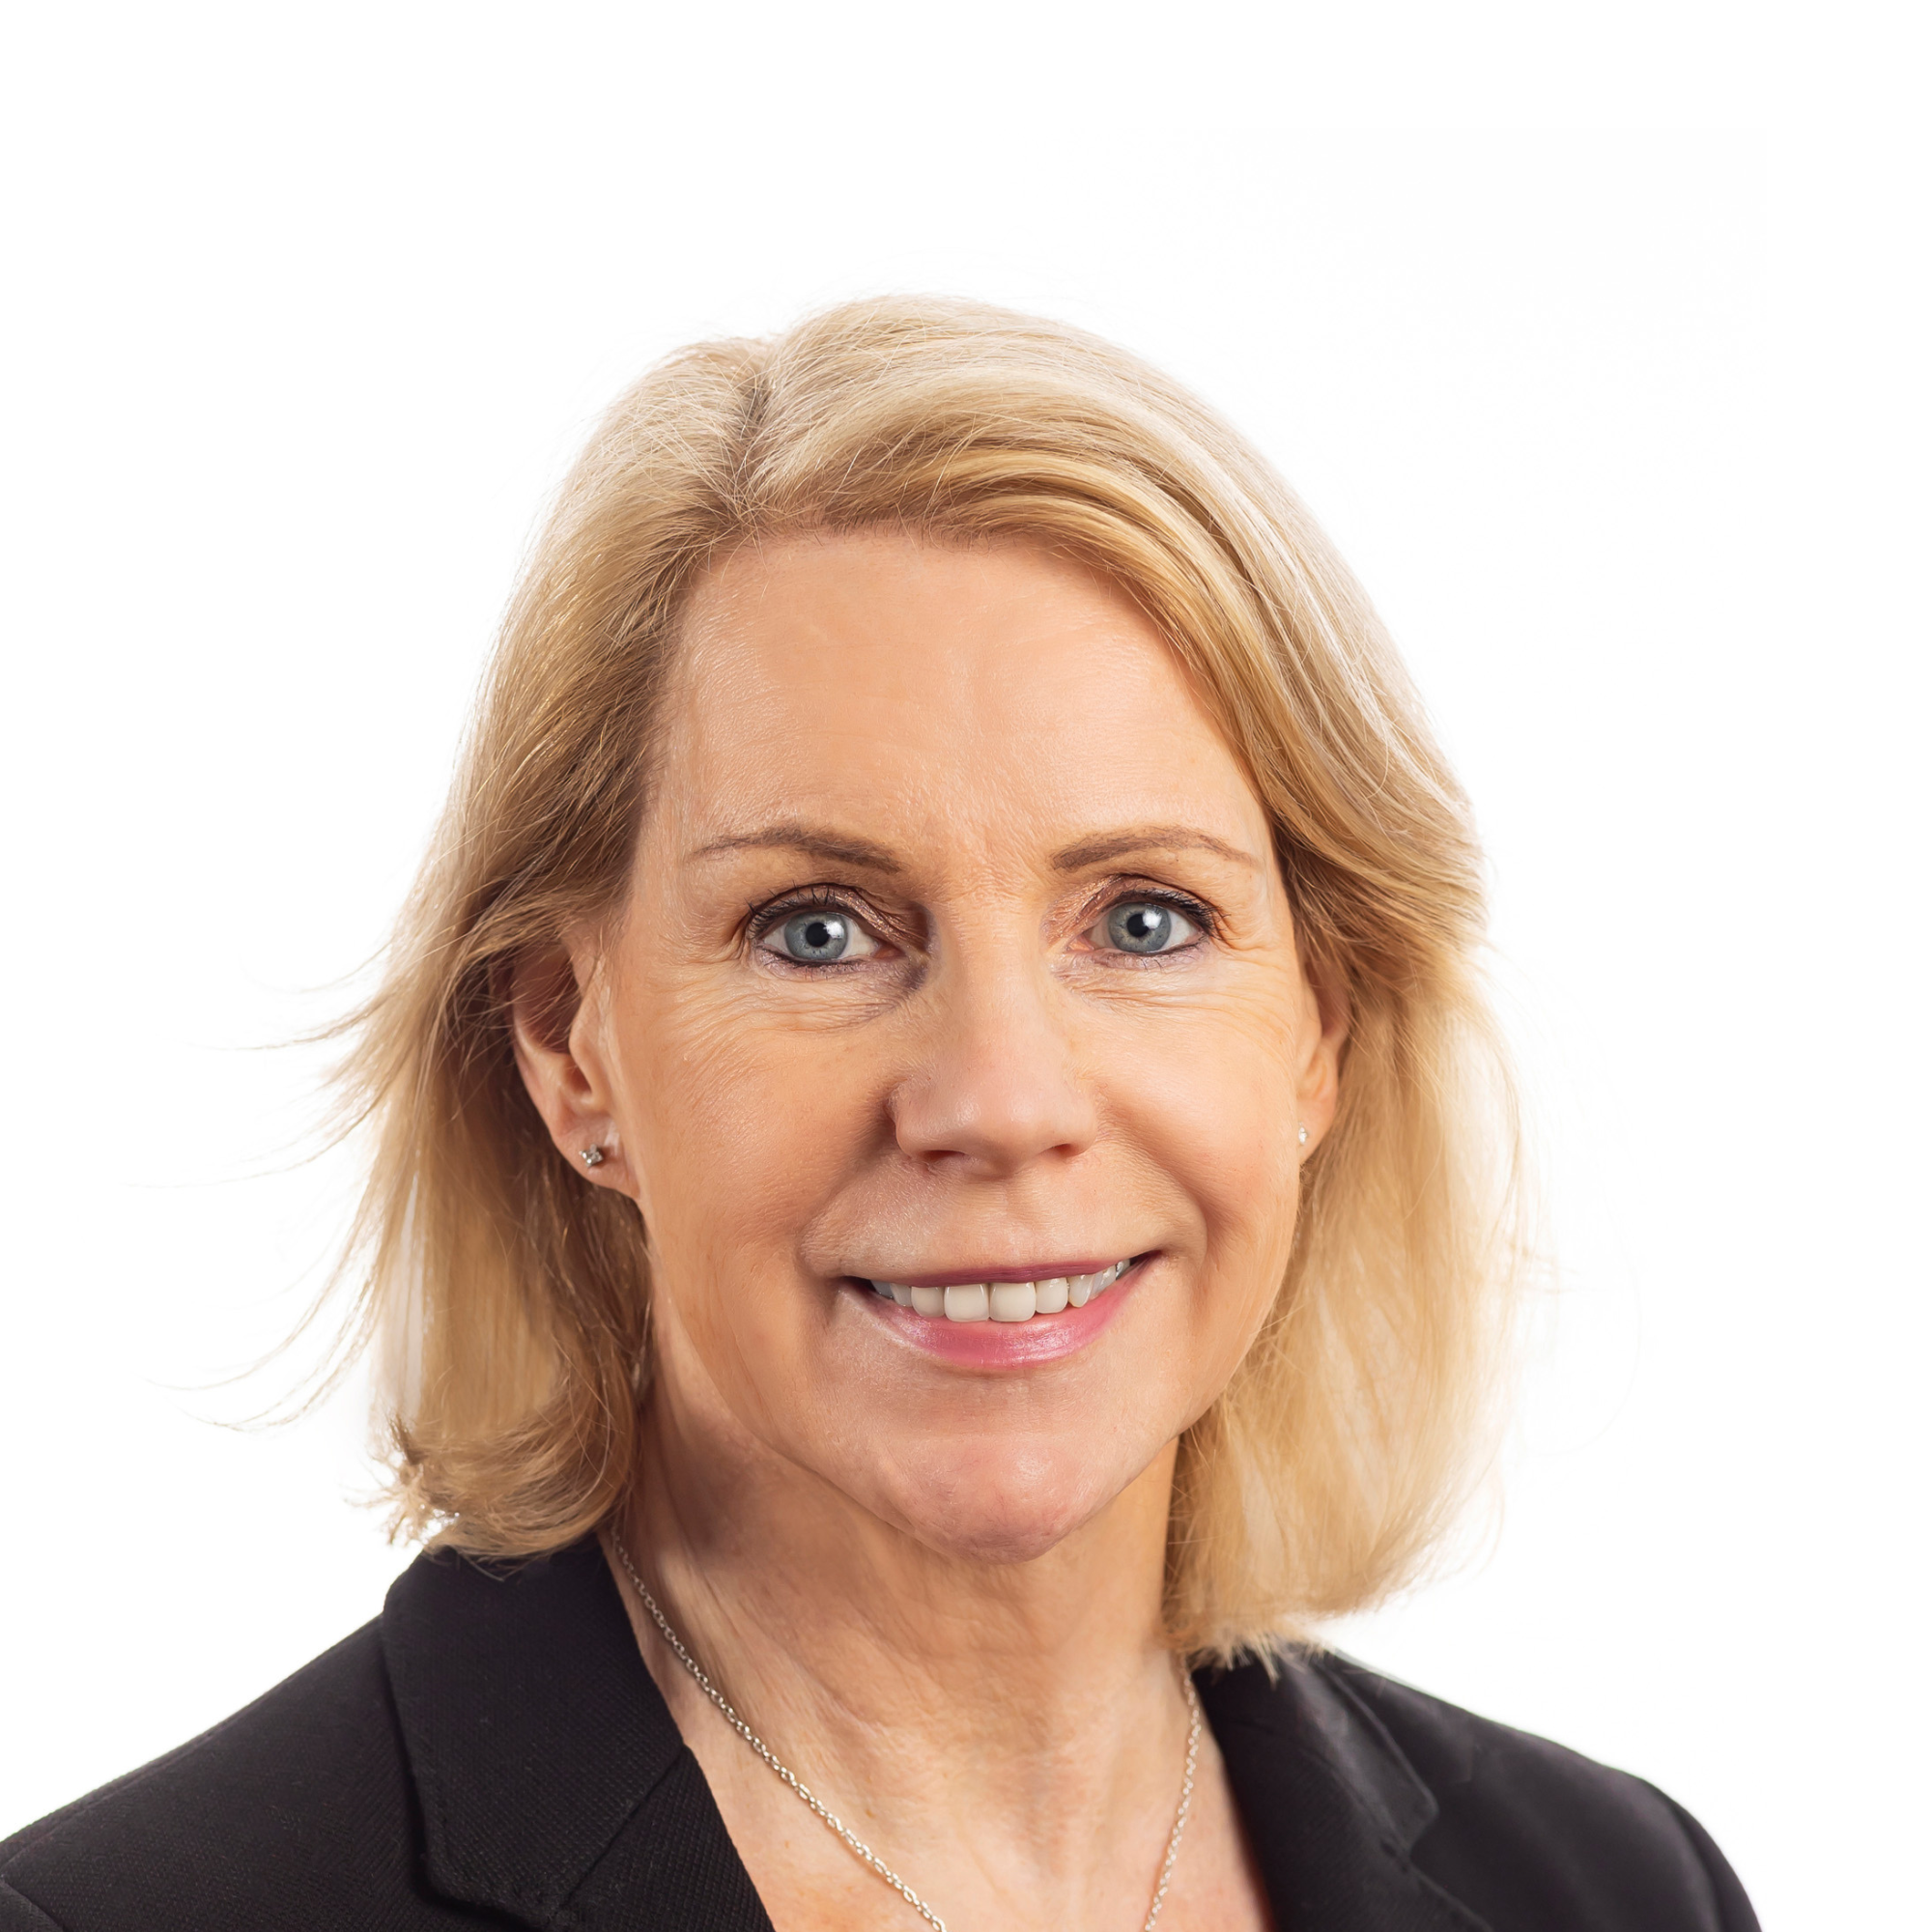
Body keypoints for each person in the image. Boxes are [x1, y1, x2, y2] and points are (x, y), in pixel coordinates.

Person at [0, 298, 1758, 1932]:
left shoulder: (1615, 1891)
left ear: (1320, 1030)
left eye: (1146, 921)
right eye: (818, 931)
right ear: (567, 1044)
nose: (999, 1101)